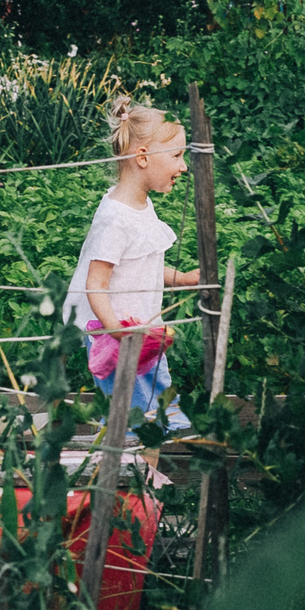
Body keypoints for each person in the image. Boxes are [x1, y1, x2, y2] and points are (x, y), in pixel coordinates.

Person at [63, 95, 201, 433]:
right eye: (177, 155)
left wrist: (181, 278)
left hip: (140, 335)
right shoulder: (115, 219)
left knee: (152, 408)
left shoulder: (142, 207)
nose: (183, 166)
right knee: (138, 416)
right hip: (118, 338)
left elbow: (140, 268)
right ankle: (127, 475)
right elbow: (95, 284)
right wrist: (117, 331)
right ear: (143, 157)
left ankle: (142, 475)